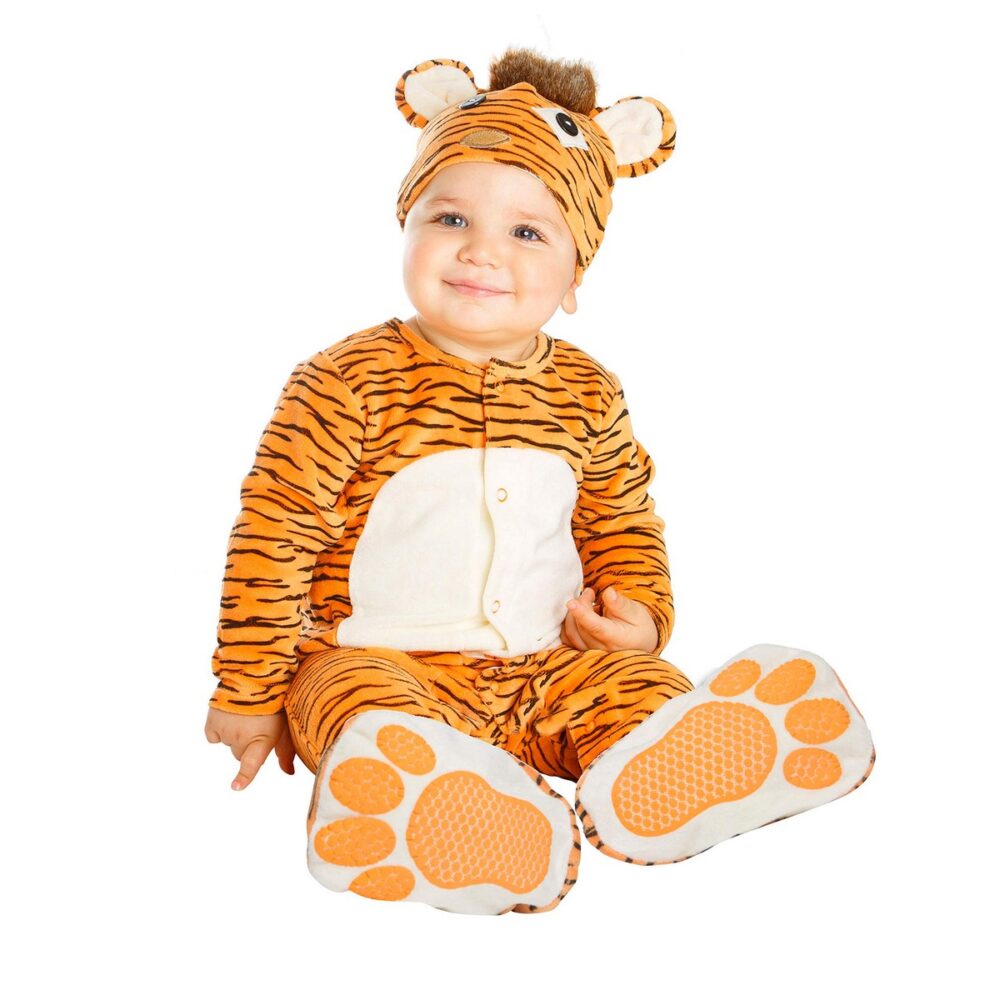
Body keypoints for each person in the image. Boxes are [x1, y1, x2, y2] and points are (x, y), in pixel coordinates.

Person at [204, 49, 875, 916]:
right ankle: (441, 805)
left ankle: (668, 769)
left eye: (527, 233)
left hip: (549, 668)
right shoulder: (345, 381)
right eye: (449, 217)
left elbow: (622, 521)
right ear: (405, 228)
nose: (480, 250)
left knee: (645, 693)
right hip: (384, 661)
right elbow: (275, 534)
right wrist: (250, 692)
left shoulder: (588, 392)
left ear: (575, 273)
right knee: (353, 706)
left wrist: (641, 617)